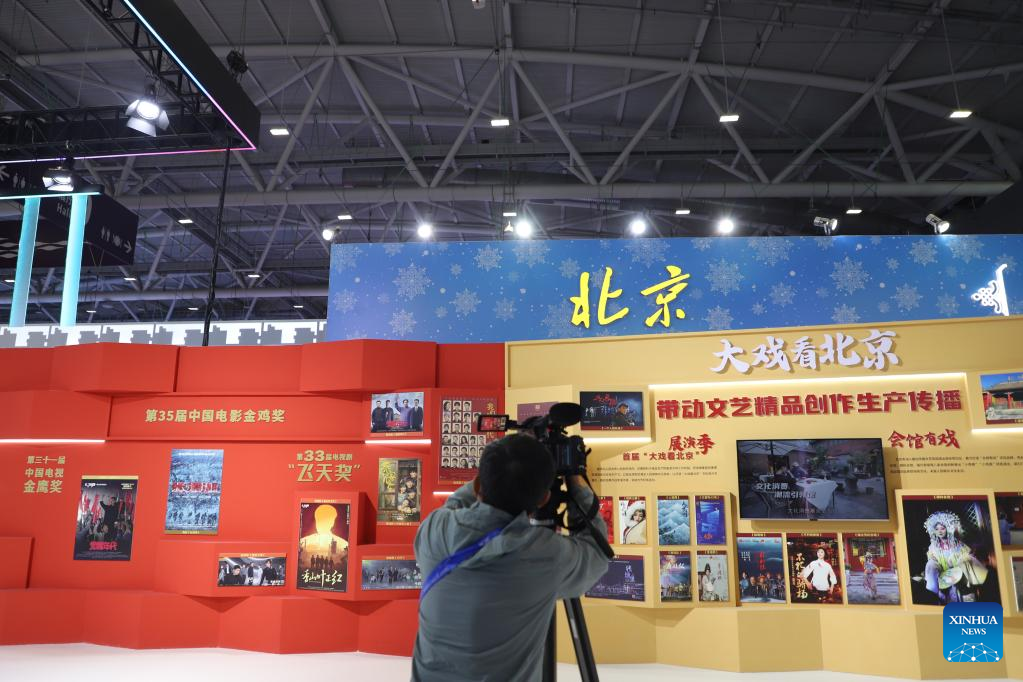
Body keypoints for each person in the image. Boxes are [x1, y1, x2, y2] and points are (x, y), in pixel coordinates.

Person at [412, 433, 610, 682]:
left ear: (478, 486)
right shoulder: (545, 555)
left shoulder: (434, 531)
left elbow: (455, 505)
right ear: (544, 498)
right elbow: (597, 553)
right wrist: (576, 480)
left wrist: (498, 471)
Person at [923, 511, 990, 603]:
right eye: (937, 529)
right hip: (943, 574)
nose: (940, 531)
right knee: (931, 565)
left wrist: (965, 558)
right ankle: (935, 596)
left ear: (947, 529)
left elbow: (967, 552)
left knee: (965, 562)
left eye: (942, 528)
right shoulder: (933, 546)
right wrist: (933, 562)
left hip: (958, 572)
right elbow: (931, 557)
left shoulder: (956, 543)